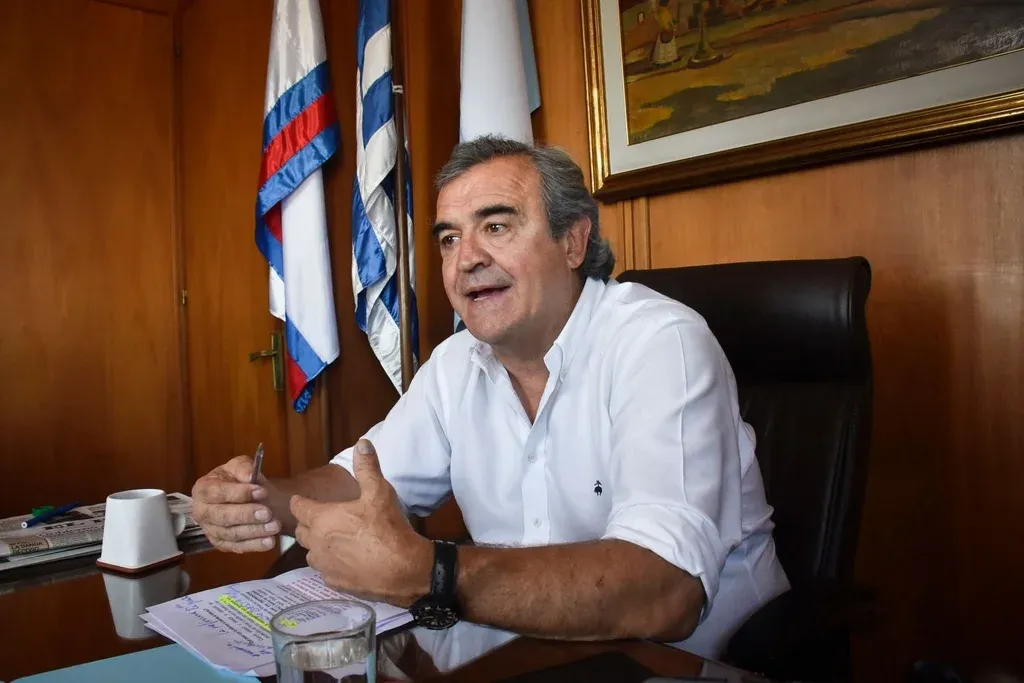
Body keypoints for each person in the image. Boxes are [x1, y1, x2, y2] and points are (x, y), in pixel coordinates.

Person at [191, 136, 790, 659]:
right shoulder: (457, 363)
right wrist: (264, 497)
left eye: (496, 227)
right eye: (450, 239)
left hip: (690, 664)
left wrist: (431, 573)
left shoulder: (660, 343)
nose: (467, 260)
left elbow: (666, 591)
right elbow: (362, 481)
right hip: (529, 657)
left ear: (573, 241)